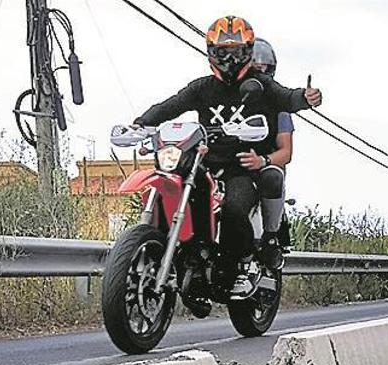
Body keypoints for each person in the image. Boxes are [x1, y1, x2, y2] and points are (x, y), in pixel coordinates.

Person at [132, 15, 322, 298]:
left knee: (234, 208)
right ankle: (171, 252)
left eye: (235, 51)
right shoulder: (202, 87)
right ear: (211, 51)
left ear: (247, 51)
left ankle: (243, 264)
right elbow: (170, 105)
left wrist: (306, 98)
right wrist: (140, 123)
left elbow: (286, 97)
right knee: (174, 183)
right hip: (204, 163)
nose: (229, 57)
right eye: (222, 51)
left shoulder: (261, 85)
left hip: (242, 167)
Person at [250, 38, 293, 270]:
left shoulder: (278, 106)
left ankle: (270, 237)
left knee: (272, 176)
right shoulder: (223, 98)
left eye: (263, 69)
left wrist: (264, 161)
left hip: (262, 169)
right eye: (252, 68)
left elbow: (285, 152)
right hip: (228, 165)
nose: (258, 74)